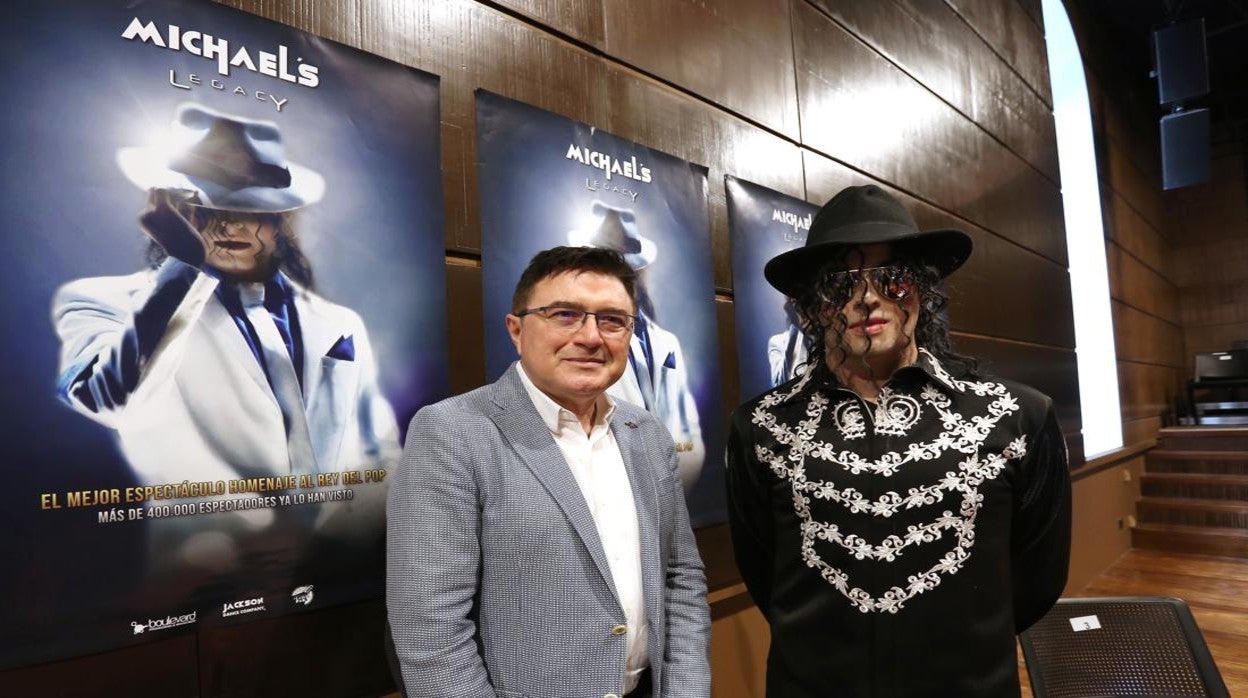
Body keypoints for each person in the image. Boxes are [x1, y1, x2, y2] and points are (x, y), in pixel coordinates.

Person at [726, 184, 1071, 697]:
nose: (869, 298)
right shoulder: (763, 427)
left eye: (894, 278)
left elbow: (1038, 577)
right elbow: (765, 572)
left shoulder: (1018, 418)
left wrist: (957, 642)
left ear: (923, 292)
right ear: (814, 307)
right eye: (841, 284)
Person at [52, 103, 399, 570]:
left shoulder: (338, 322)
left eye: (251, 209)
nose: (230, 224)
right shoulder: (105, 302)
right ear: (169, 211)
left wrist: (328, 544)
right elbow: (112, 402)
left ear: (281, 223)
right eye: (206, 205)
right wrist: (185, 266)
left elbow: (380, 456)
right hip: (197, 588)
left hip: (337, 579)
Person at [388, 246, 710, 698]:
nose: (591, 337)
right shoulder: (453, 432)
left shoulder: (648, 435)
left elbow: (681, 580)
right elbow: (430, 626)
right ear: (516, 330)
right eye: (564, 314)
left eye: (612, 320)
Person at [568, 201, 705, 489]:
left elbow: (688, 435)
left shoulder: (665, 342)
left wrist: (669, 496)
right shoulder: (576, 343)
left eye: (627, 273)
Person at [766, 297, 808, 387]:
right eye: (795, 304)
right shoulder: (777, 341)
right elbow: (778, 385)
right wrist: (795, 328)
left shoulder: (824, 337)